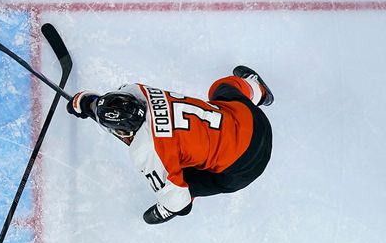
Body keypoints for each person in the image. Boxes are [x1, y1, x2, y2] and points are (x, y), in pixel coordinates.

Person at [66, 65, 274, 224]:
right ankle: (258, 90)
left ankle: (185, 195)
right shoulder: (138, 91)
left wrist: (174, 206)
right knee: (222, 88)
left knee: (184, 183)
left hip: (246, 166)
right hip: (251, 118)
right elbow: (119, 106)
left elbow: (180, 204)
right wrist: (86, 102)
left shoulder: (147, 150)